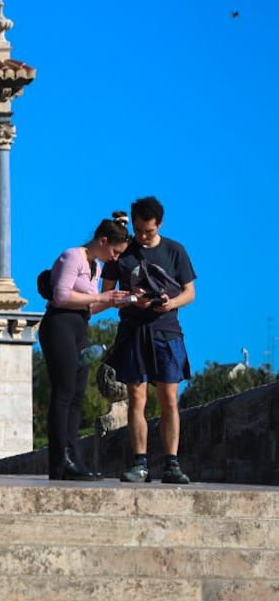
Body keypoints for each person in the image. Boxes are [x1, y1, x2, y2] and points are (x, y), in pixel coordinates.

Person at [101, 195, 197, 484]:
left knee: (169, 397)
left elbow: (190, 292)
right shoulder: (123, 252)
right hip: (133, 331)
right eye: (139, 230)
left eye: (149, 231)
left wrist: (170, 303)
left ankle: (171, 463)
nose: (142, 236)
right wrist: (132, 300)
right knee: (136, 397)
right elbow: (107, 294)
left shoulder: (175, 251)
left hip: (167, 331)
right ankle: (140, 463)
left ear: (160, 225)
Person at [39, 217, 135, 481]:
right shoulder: (73, 257)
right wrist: (99, 297)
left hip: (79, 325)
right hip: (59, 324)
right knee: (63, 392)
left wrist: (114, 301)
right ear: (103, 241)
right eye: (114, 251)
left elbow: (89, 306)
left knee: (77, 396)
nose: (115, 258)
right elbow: (61, 295)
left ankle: (74, 458)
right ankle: (60, 461)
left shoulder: (95, 267)